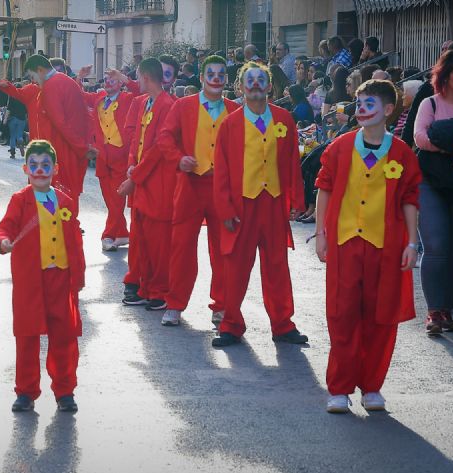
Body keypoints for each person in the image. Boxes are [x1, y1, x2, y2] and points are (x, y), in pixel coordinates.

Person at [314, 79, 420, 414]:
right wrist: (321, 233)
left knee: (380, 316)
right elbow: (325, 190)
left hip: (385, 246)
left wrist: (412, 242)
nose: (360, 109)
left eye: (368, 103)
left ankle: (371, 385)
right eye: (358, 102)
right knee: (342, 314)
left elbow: (409, 200)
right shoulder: (340, 147)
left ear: (388, 110)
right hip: (346, 242)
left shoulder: (402, 152)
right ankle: (340, 388)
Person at [210, 61, 309, 348]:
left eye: (260, 80)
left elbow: (292, 161)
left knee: (277, 266)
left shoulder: (284, 119)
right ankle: (230, 324)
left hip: (274, 203)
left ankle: (283, 324)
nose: (254, 85)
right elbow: (223, 171)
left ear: (269, 86)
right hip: (242, 205)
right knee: (236, 267)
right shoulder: (230, 124)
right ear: (240, 87)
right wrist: (225, 209)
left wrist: (296, 199)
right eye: (249, 81)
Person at [0, 140, 85, 413]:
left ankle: (65, 390)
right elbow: (5, 227)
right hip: (30, 281)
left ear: (55, 168)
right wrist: (5, 241)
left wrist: (77, 276)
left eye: (45, 165)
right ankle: (25, 391)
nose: (39, 170)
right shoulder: (19, 200)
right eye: (33, 165)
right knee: (27, 335)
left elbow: (74, 237)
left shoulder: (66, 201)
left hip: (60, 277)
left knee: (64, 336)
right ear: (25, 169)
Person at [155, 55, 239, 327]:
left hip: (222, 188)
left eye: (221, 74)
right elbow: (165, 136)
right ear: (201, 77)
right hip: (190, 185)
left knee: (224, 248)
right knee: (181, 246)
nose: (216, 78)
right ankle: (176, 303)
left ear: (226, 79)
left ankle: (222, 305)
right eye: (211, 73)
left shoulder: (235, 110)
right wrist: (179, 158)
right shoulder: (183, 106)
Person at [412, 51, 453, 334]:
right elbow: (419, 138)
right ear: (446, 76)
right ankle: (434, 311)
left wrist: (452, 145)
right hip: (431, 180)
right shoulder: (430, 103)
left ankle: (446, 307)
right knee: (436, 245)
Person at [117, 58, 176, 310]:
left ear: (146, 77)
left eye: (138, 77)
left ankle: (160, 291)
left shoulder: (168, 105)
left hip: (158, 183)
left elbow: (158, 149)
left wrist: (134, 176)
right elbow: (136, 140)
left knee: (159, 242)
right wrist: (132, 164)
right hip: (142, 181)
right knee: (140, 237)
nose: (136, 81)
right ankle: (142, 285)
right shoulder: (144, 103)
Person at [19, 55, 92, 198]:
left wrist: (82, 148)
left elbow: (60, 123)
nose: (33, 81)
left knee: (56, 202)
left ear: (40, 70)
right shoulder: (65, 81)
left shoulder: (50, 86)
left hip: (61, 151)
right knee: (68, 199)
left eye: (32, 76)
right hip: (70, 149)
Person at [83, 70, 136, 252]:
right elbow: (79, 94)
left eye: (112, 80)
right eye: (106, 80)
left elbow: (140, 91)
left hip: (121, 155)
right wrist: (79, 76)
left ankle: (108, 235)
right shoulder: (99, 97)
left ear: (120, 83)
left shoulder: (129, 99)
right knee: (109, 198)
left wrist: (123, 77)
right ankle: (121, 234)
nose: (108, 82)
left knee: (117, 198)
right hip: (103, 155)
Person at [4, 84, 29, 159]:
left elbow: (9, 109)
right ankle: (20, 141)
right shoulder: (24, 97)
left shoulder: (12, 96)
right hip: (22, 119)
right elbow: (27, 110)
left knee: (12, 136)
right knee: (19, 135)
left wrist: (5, 119)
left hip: (13, 119)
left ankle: (12, 152)